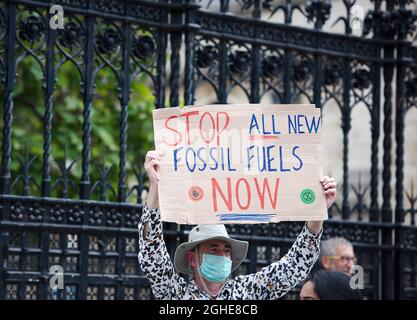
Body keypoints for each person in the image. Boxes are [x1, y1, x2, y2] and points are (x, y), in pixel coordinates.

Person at [138, 150, 337, 300]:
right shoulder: (175, 294)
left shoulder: (245, 292)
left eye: (226, 250)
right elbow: (151, 254)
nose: (222, 255)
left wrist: (317, 212)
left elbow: (294, 266)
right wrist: (155, 187)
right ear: (192, 258)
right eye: (213, 248)